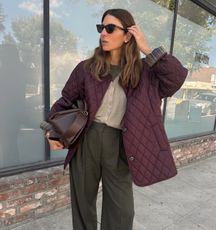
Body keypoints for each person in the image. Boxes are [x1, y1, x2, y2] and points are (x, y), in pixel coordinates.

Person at [46, 8, 188, 230]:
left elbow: (176, 78)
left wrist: (147, 48)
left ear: (128, 35)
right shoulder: (86, 68)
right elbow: (65, 100)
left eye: (110, 28)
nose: (103, 33)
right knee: (83, 205)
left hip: (121, 144)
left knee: (122, 211)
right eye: (101, 28)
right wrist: (53, 132)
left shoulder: (146, 73)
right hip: (87, 142)